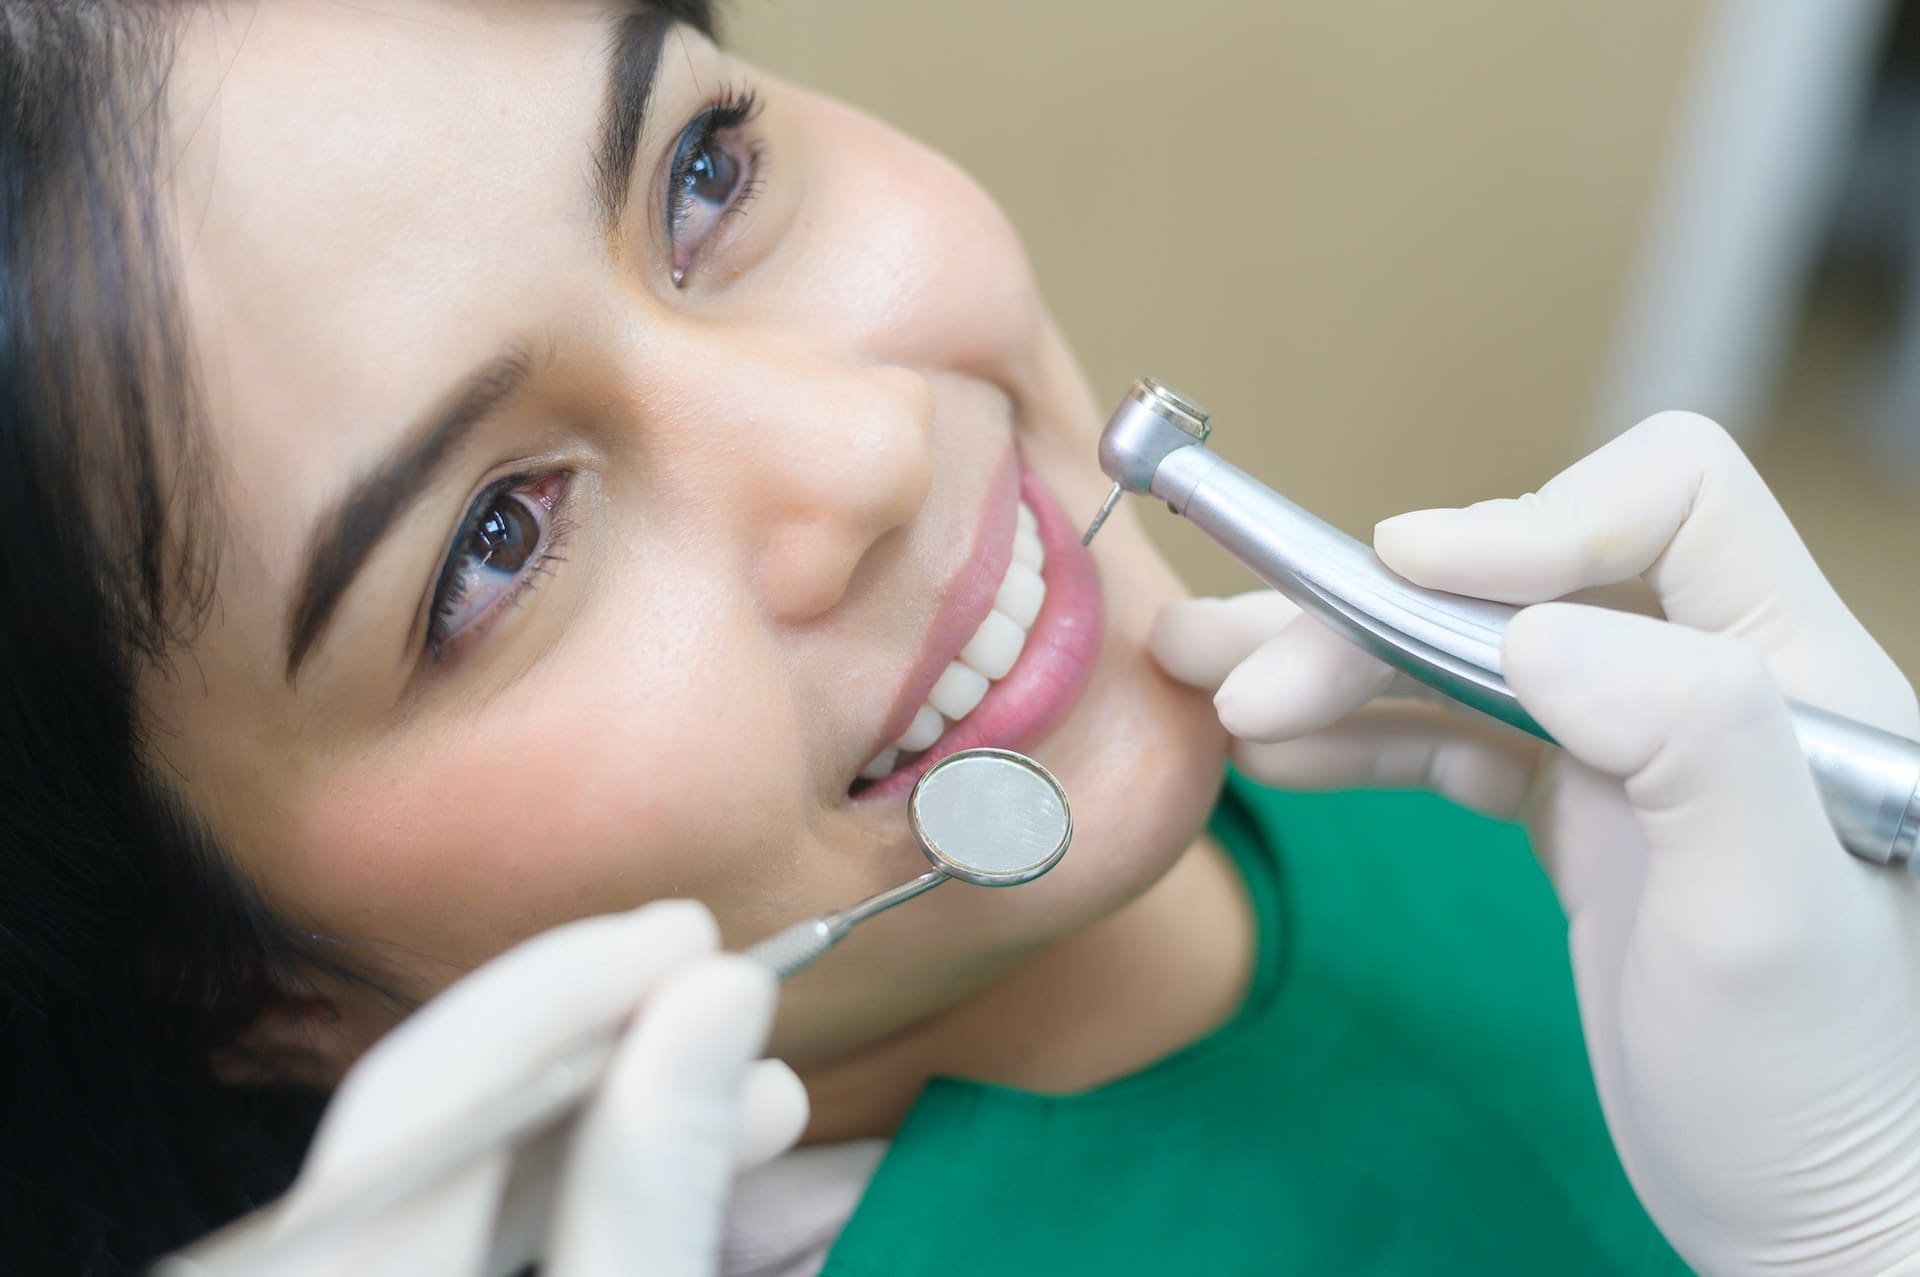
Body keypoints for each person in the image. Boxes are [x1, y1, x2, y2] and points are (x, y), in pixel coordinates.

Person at [2, 3, 1915, 1274]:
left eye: (703, 176)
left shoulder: (1352, 757)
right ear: (240, 991)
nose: (864, 447)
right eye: (496, 541)